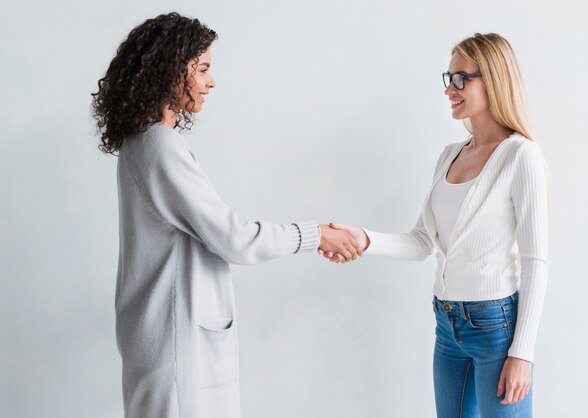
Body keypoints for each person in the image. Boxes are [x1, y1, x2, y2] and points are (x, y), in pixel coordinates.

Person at [91, 12, 362, 418]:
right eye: (201, 69)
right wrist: (316, 234)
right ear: (169, 70)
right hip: (176, 351)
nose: (210, 81)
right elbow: (232, 238)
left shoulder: (144, 143)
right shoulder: (159, 146)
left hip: (165, 343)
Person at [322, 33, 549, 417]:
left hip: (495, 326)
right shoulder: (449, 156)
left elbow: (536, 260)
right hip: (447, 325)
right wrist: (363, 238)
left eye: (463, 78)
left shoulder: (520, 155)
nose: (451, 89)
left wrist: (522, 353)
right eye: (449, 78)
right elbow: (422, 241)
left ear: (493, 79)